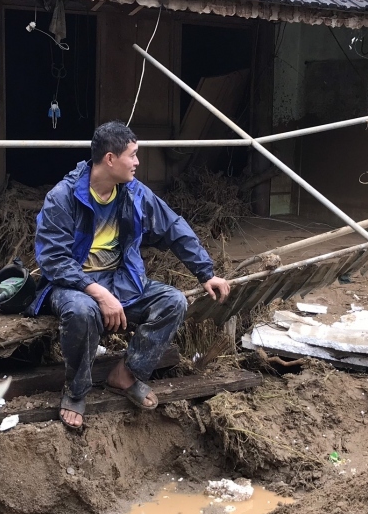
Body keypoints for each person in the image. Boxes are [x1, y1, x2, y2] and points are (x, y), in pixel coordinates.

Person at [28, 122, 230, 430]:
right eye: (132, 155)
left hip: (121, 280)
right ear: (110, 159)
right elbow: (53, 259)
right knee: (82, 311)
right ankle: (76, 389)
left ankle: (125, 374)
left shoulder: (135, 193)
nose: (137, 163)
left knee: (172, 301)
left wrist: (206, 273)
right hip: (72, 284)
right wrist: (98, 292)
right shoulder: (63, 197)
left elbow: (173, 227)